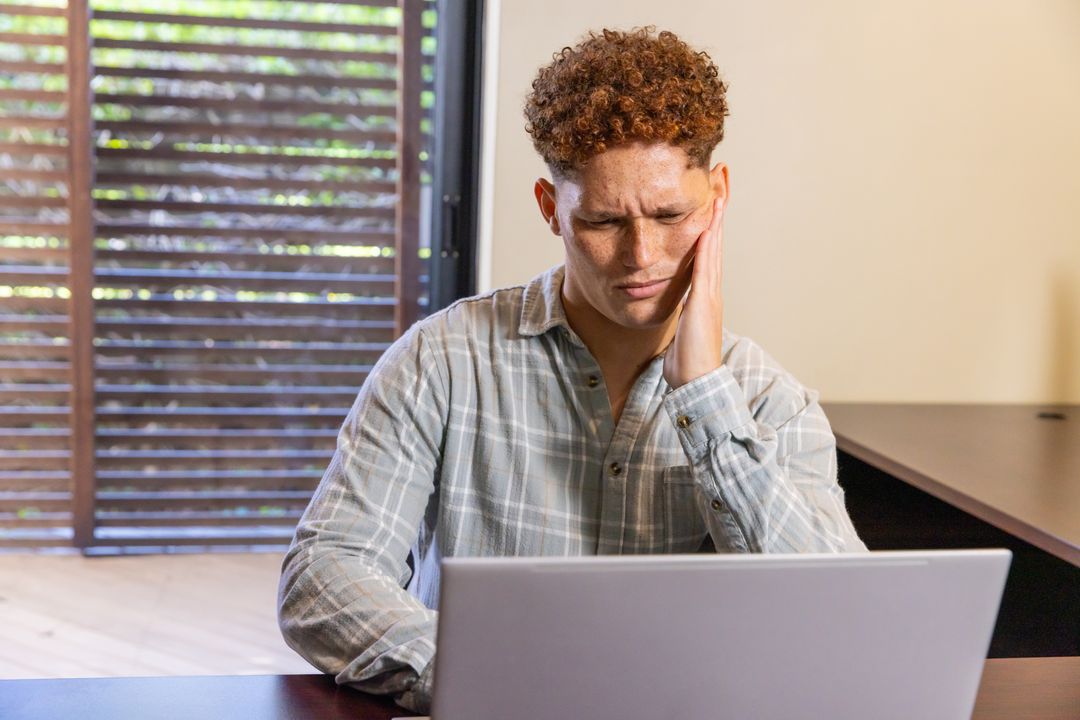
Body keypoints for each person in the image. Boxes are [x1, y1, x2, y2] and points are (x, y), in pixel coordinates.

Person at [278, 26, 866, 714]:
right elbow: (323, 575)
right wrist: (497, 682)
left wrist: (704, 394)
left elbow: (839, 620)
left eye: (671, 214)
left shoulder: (770, 402)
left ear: (718, 198)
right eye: (603, 222)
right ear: (550, 207)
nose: (641, 255)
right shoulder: (440, 359)